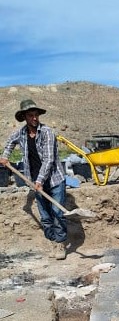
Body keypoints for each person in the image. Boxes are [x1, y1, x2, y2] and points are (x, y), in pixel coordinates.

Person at [0, 99, 67, 260]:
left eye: (36, 115)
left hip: (54, 180)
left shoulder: (47, 132)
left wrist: (40, 181)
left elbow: (49, 160)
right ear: (24, 117)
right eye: (31, 115)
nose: (35, 118)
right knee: (45, 217)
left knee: (57, 213)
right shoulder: (21, 133)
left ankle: (60, 243)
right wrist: (5, 156)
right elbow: (9, 142)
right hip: (34, 181)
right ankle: (52, 241)